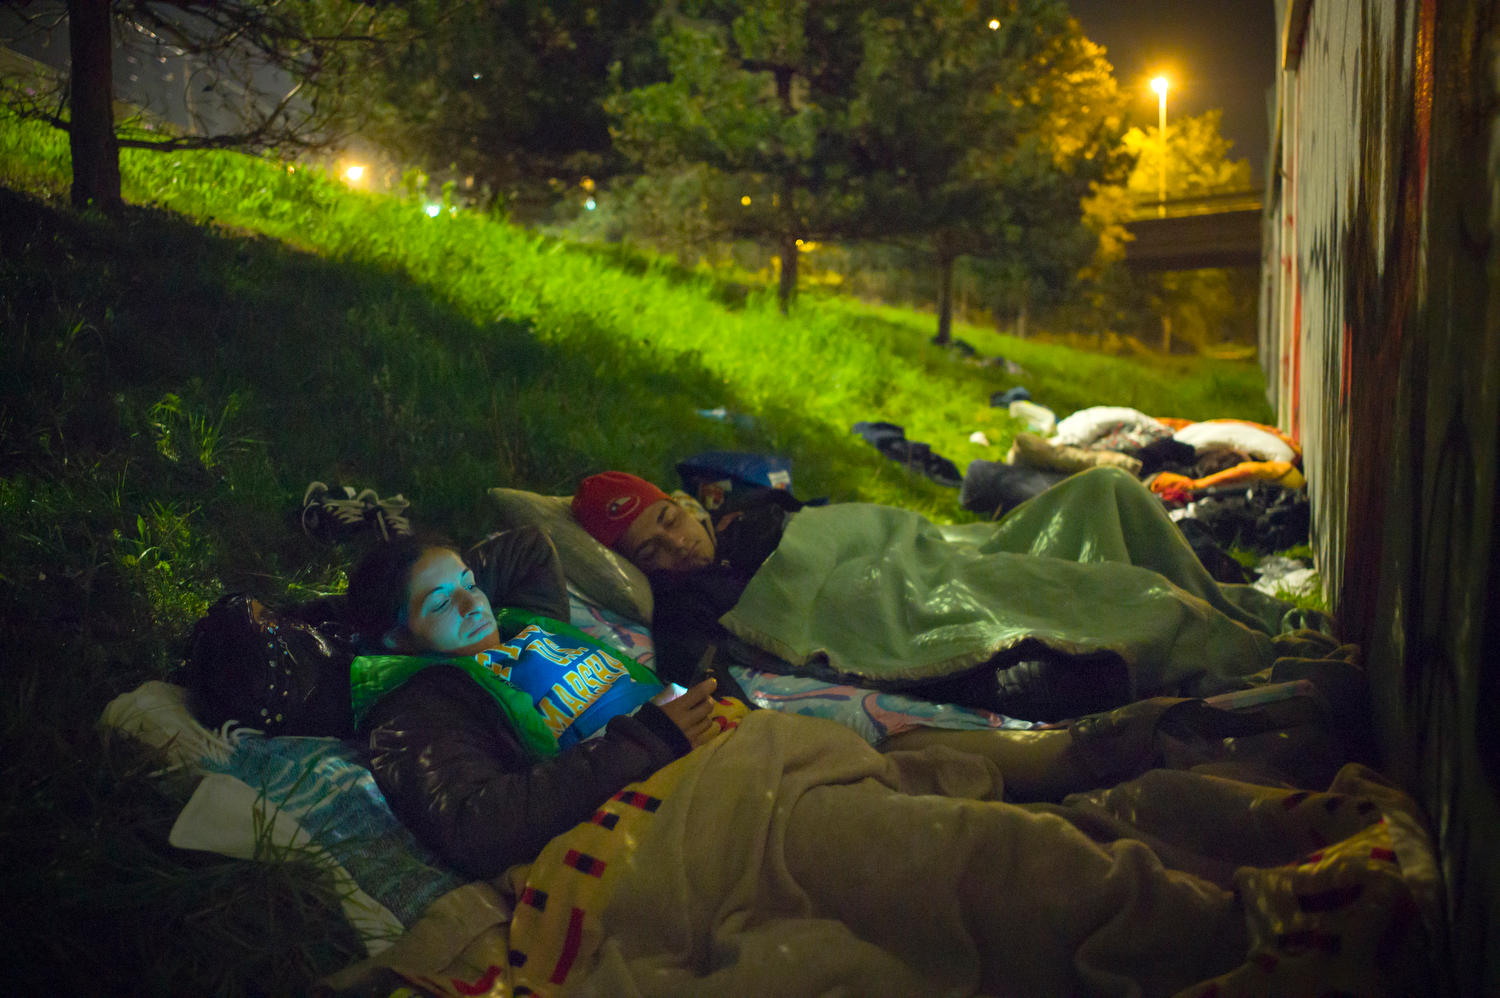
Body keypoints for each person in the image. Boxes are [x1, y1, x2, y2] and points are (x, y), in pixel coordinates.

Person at [343, 532, 1260, 997]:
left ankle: (1154, 770)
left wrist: (433, 563)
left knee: (949, 794)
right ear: (396, 636)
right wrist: (653, 741)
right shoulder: (420, 704)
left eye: (467, 583)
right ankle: (1221, 930)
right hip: (685, 815)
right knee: (970, 857)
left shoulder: (522, 625)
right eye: (440, 601)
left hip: (748, 756)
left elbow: (524, 548)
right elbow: (477, 827)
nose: (471, 602)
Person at [571, 465, 1317, 721]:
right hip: (893, 595)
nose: (675, 543)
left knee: (1105, 494)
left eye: (668, 520)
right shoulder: (685, 607)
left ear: (679, 500)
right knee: (1119, 599)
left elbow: (856, 529)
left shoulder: (744, 514)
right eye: (651, 550)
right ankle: (1235, 646)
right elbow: (706, 672)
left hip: (930, 550)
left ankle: (1230, 610)